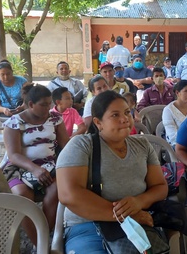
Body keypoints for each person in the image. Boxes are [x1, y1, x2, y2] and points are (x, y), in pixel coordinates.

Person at [56, 90, 168, 254]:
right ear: (98, 122)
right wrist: (124, 216)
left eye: (126, 113)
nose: (124, 119)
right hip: (88, 226)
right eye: (115, 115)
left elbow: (160, 186)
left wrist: (139, 202)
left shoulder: (143, 145)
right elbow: (69, 195)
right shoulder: (82, 145)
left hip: (136, 223)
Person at [2, 84, 69, 246]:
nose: (49, 108)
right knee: (21, 195)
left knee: (56, 190)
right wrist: (35, 169)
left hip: (50, 166)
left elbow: (65, 146)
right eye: (44, 104)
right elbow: (14, 155)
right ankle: (38, 244)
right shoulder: (14, 123)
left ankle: (44, 234)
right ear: (31, 104)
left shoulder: (54, 120)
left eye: (50, 104)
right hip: (19, 168)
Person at [162, 80, 187, 148]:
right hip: (176, 144)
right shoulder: (168, 110)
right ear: (177, 93)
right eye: (186, 91)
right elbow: (172, 135)